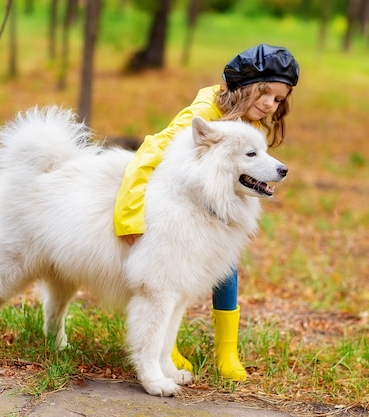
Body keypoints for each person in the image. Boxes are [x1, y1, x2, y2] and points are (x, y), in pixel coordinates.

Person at [113, 43, 300, 381]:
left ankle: (226, 351)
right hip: (178, 210)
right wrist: (130, 217)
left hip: (216, 217)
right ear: (245, 84)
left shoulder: (249, 122)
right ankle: (164, 350)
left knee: (225, 271)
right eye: (266, 92)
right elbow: (151, 153)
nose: (270, 104)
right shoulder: (205, 111)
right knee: (171, 279)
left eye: (278, 99)